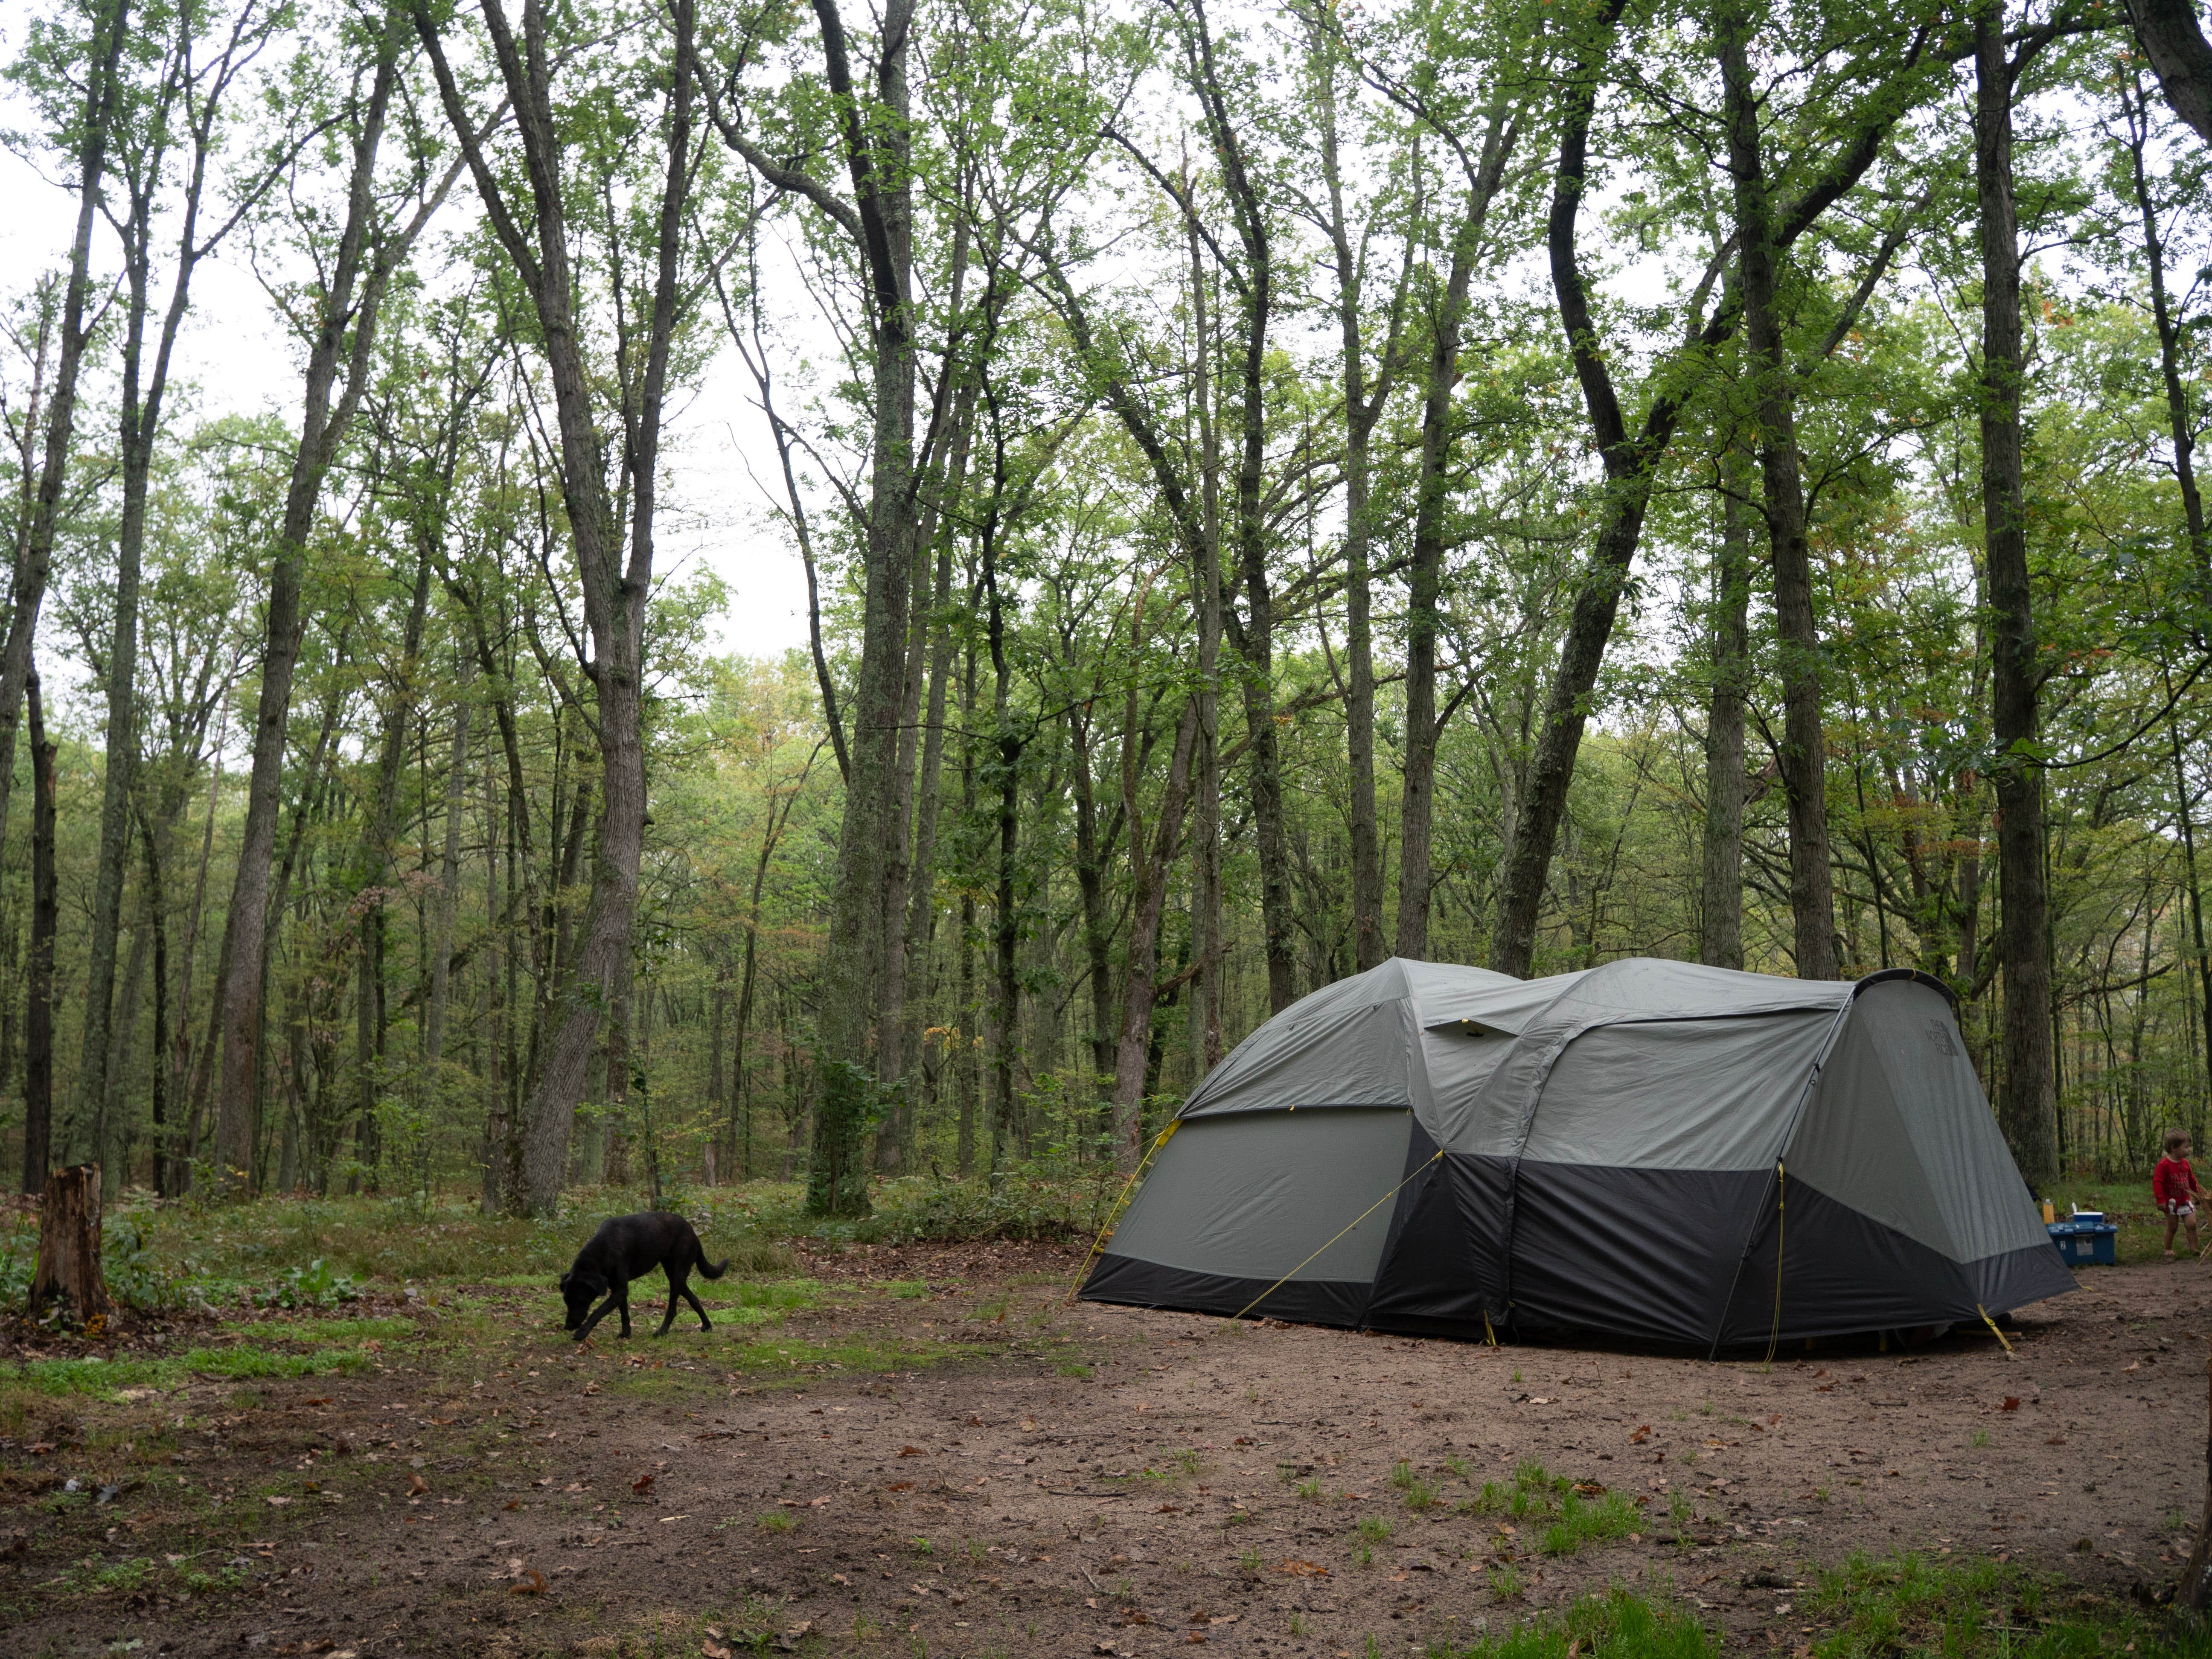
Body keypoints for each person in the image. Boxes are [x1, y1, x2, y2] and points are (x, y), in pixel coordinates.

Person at [2154, 1129, 2206, 1260]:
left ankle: (2194, 1249)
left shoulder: (2186, 1164)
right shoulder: (2164, 1165)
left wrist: (2199, 1193)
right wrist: (2160, 1199)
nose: (2189, 1150)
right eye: (2186, 1147)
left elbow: (2192, 1180)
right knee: (2173, 1227)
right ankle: (2168, 1249)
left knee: (2192, 1224)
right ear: (2174, 1148)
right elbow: (2157, 1182)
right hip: (2171, 1203)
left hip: (2185, 1200)